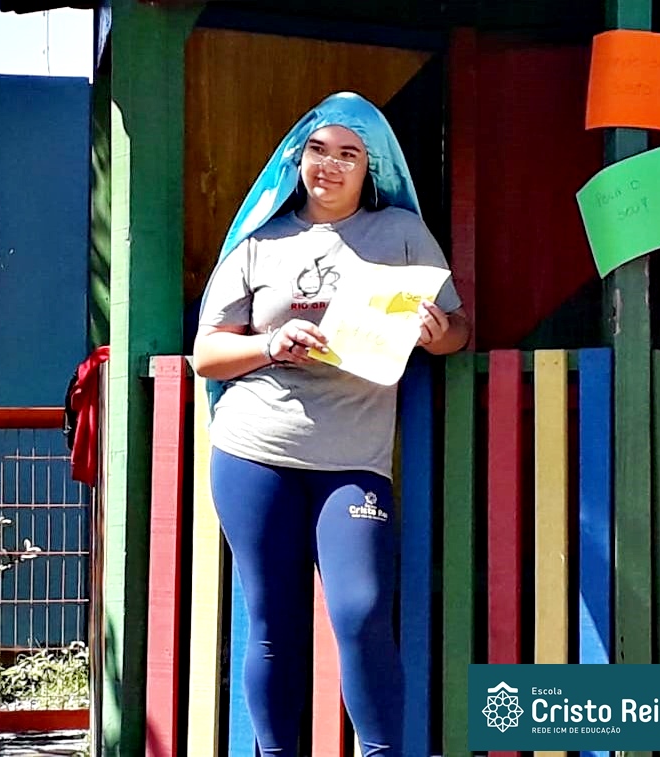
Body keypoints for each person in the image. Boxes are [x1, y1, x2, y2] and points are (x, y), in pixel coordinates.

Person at [193, 92, 470, 756]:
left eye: (349, 154)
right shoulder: (260, 241)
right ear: (298, 158)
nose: (330, 165)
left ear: (371, 168)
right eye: (318, 150)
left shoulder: (403, 233)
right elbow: (206, 353)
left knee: (362, 610)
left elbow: (459, 330)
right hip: (254, 451)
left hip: (354, 461)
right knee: (272, 621)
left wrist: (437, 333)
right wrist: (270, 343)